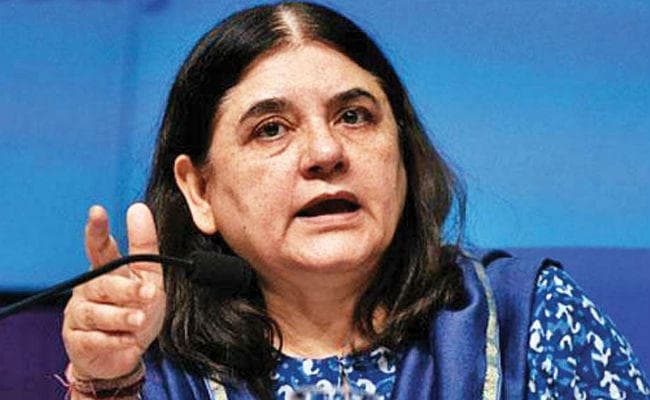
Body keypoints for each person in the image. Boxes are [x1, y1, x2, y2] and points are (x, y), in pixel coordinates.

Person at [61, 2, 650, 399]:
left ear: (403, 151)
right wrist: (106, 386)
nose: (325, 152)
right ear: (199, 190)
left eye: (354, 116)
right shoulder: (151, 364)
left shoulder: (526, 319)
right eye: (271, 129)